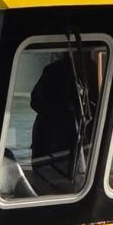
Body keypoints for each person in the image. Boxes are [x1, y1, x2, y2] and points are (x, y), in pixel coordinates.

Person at [30, 48, 100, 193]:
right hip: (55, 145)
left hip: (78, 143)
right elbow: (36, 102)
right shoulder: (55, 71)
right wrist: (65, 105)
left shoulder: (92, 70)